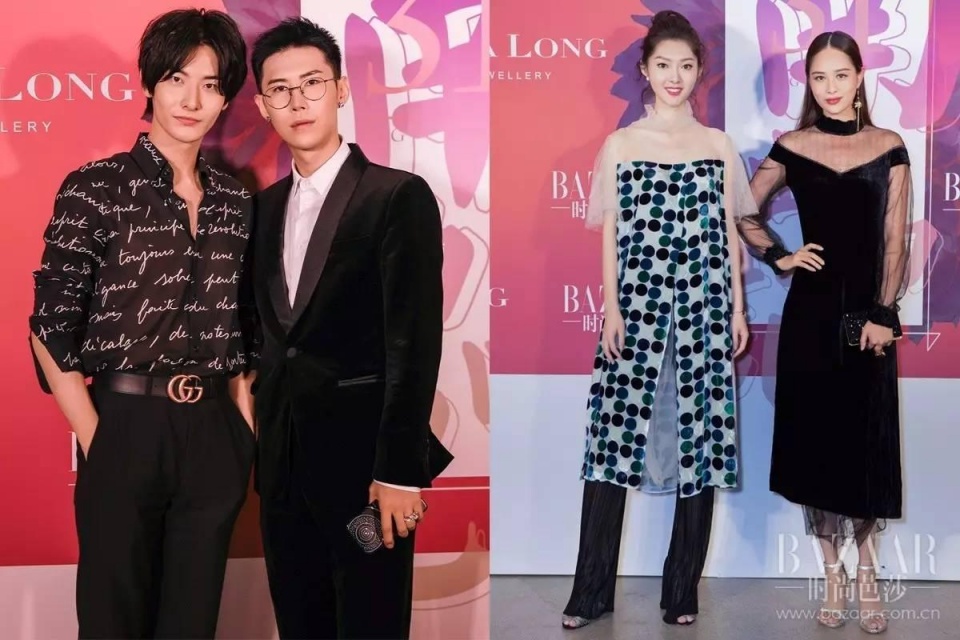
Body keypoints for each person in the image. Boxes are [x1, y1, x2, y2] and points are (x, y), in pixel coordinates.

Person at [28, 9, 256, 638]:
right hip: (124, 424)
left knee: (191, 623)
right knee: (113, 621)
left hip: (213, 431)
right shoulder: (95, 188)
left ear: (226, 99)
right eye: (177, 79)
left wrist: (242, 426)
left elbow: (246, 324)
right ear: (151, 83)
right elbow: (50, 324)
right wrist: (98, 440)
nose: (191, 100)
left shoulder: (237, 201)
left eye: (210, 85)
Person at [247, 17, 453, 640]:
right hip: (283, 471)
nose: (297, 101)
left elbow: (414, 345)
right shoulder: (261, 209)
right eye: (280, 89)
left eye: (312, 82)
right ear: (262, 105)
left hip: (368, 475)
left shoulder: (396, 196)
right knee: (300, 623)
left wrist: (400, 473)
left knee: (371, 622)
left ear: (339, 90)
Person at [561, 10, 751, 629]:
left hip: (706, 306)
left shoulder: (718, 145)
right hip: (636, 307)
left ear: (700, 72)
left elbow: (730, 236)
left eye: (687, 66)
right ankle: (590, 592)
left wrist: (738, 309)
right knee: (611, 444)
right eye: (664, 65)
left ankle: (682, 591)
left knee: (702, 441)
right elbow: (609, 235)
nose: (675, 76)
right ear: (645, 70)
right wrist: (611, 308)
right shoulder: (622, 145)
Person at [741, 30, 910, 634]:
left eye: (841, 75)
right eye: (819, 77)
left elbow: (896, 240)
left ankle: (867, 576)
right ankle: (832, 577)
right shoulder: (793, 146)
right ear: (808, 84)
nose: (830, 88)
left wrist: (884, 314)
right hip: (810, 319)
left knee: (863, 450)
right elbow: (742, 208)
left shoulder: (888, 147)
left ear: (860, 77)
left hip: (865, 319)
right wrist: (780, 256)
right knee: (817, 449)